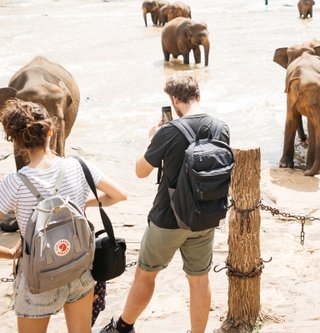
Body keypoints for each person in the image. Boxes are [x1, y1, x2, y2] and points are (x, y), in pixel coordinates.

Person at [99, 75, 230, 333]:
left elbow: (141, 171)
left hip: (167, 218)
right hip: (205, 215)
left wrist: (151, 138)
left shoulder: (169, 131)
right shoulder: (220, 127)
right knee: (199, 280)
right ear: (198, 96)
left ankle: (123, 327)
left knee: (146, 274)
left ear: (174, 100)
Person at [0, 99, 127, 333]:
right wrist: (82, 204)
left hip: (36, 277)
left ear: (16, 142)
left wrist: (8, 254)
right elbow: (119, 195)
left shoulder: (14, 183)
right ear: (50, 131)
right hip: (78, 265)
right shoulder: (79, 166)